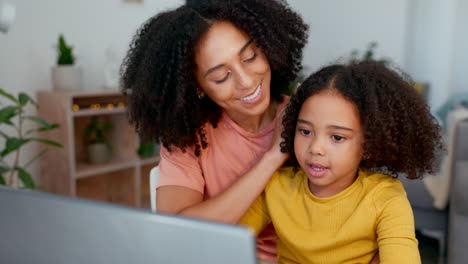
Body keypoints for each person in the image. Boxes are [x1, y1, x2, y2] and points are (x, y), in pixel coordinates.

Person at [120, 0, 307, 262]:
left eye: (250, 56)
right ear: (196, 86)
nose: (246, 81)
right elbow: (175, 236)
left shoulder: (309, 122)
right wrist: (274, 155)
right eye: (221, 77)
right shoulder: (188, 138)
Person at [238, 61, 443, 263]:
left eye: (337, 137)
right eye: (305, 131)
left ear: (369, 145)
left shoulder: (386, 198)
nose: (315, 148)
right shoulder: (276, 186)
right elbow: (229, 243)